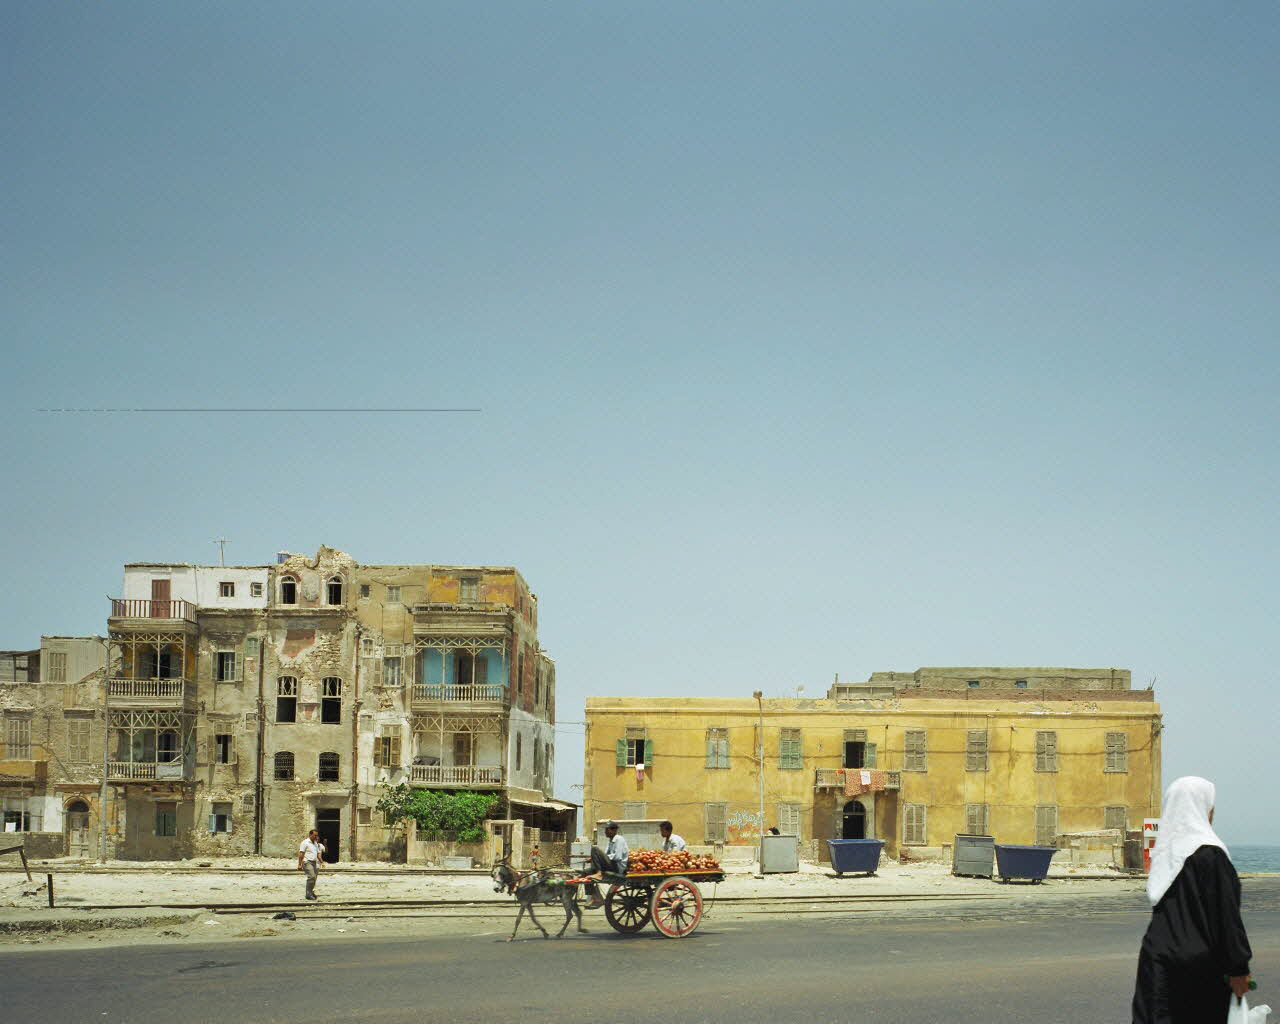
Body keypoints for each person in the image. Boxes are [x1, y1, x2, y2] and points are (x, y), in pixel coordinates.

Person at [1132, 776, 1252, 1023]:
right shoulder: (1211, 854)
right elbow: (1226, 917)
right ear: (1204, 808)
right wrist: (1239, 967)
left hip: (1156, 959)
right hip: (1200, 967)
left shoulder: (1164, 854)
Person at [580, 821, 629, 909]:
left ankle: (599, 873)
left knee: (594, 849)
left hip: (617, 867)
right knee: (585, 873)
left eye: (607, 830)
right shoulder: (611, 841)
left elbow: (617, 857)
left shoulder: (619, 839)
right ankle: (596, 897)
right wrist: (593, 859)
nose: (605, 832)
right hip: (611, 865)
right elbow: (605, 855)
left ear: (614, 830)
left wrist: (599, 857)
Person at [298, 828, 324, 901]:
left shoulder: (315, 843)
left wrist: (322, 862)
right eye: (314, 835)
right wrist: (299, 864)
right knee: (312, 877)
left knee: (314, 878)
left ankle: (311, 892)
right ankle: (308, 894)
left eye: (317, 836)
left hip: (314, 862)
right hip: (307, 862)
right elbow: (301, 854)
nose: (316, 837)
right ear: (310, 835)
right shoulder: (305, 843)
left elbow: (318, 853)